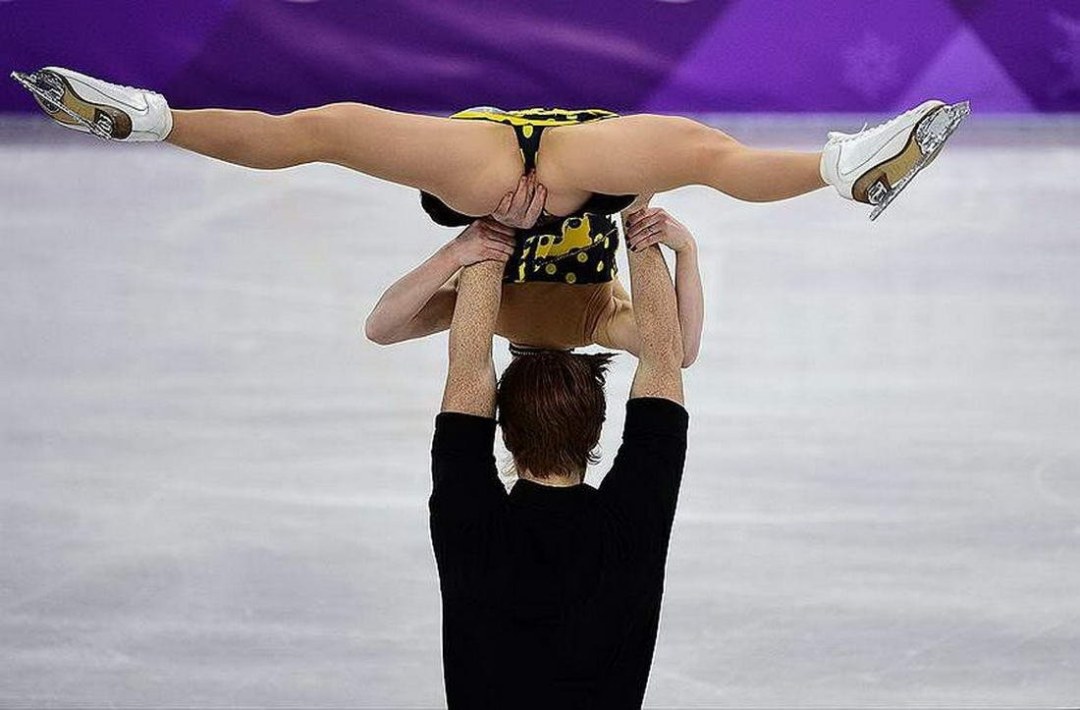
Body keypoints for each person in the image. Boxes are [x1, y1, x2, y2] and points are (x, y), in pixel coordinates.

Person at [12, 67, 969, 221]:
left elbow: (391, 325)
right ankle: (841, 170)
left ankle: (151, 119)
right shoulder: (592, 312)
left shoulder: (565, 317)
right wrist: (647, 225)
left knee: (323, 130)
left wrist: (490, 238)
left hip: (498, 176)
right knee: (700, 149)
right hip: (568, 171)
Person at [430, 204, 688, 707]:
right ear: (595, 431)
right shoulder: (629, 529)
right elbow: (663, 357)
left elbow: (468, 368)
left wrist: (493, 213)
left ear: (504, 432)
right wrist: (633, 206)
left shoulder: (472, 527)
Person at [365, 172, 705, 365]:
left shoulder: (597, 322)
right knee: (441, 204)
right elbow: (380, 328)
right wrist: (453, 254)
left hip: (569, 165)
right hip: (510, 166)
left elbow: (680, 354)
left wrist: (686, 249)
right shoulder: (491, 313)